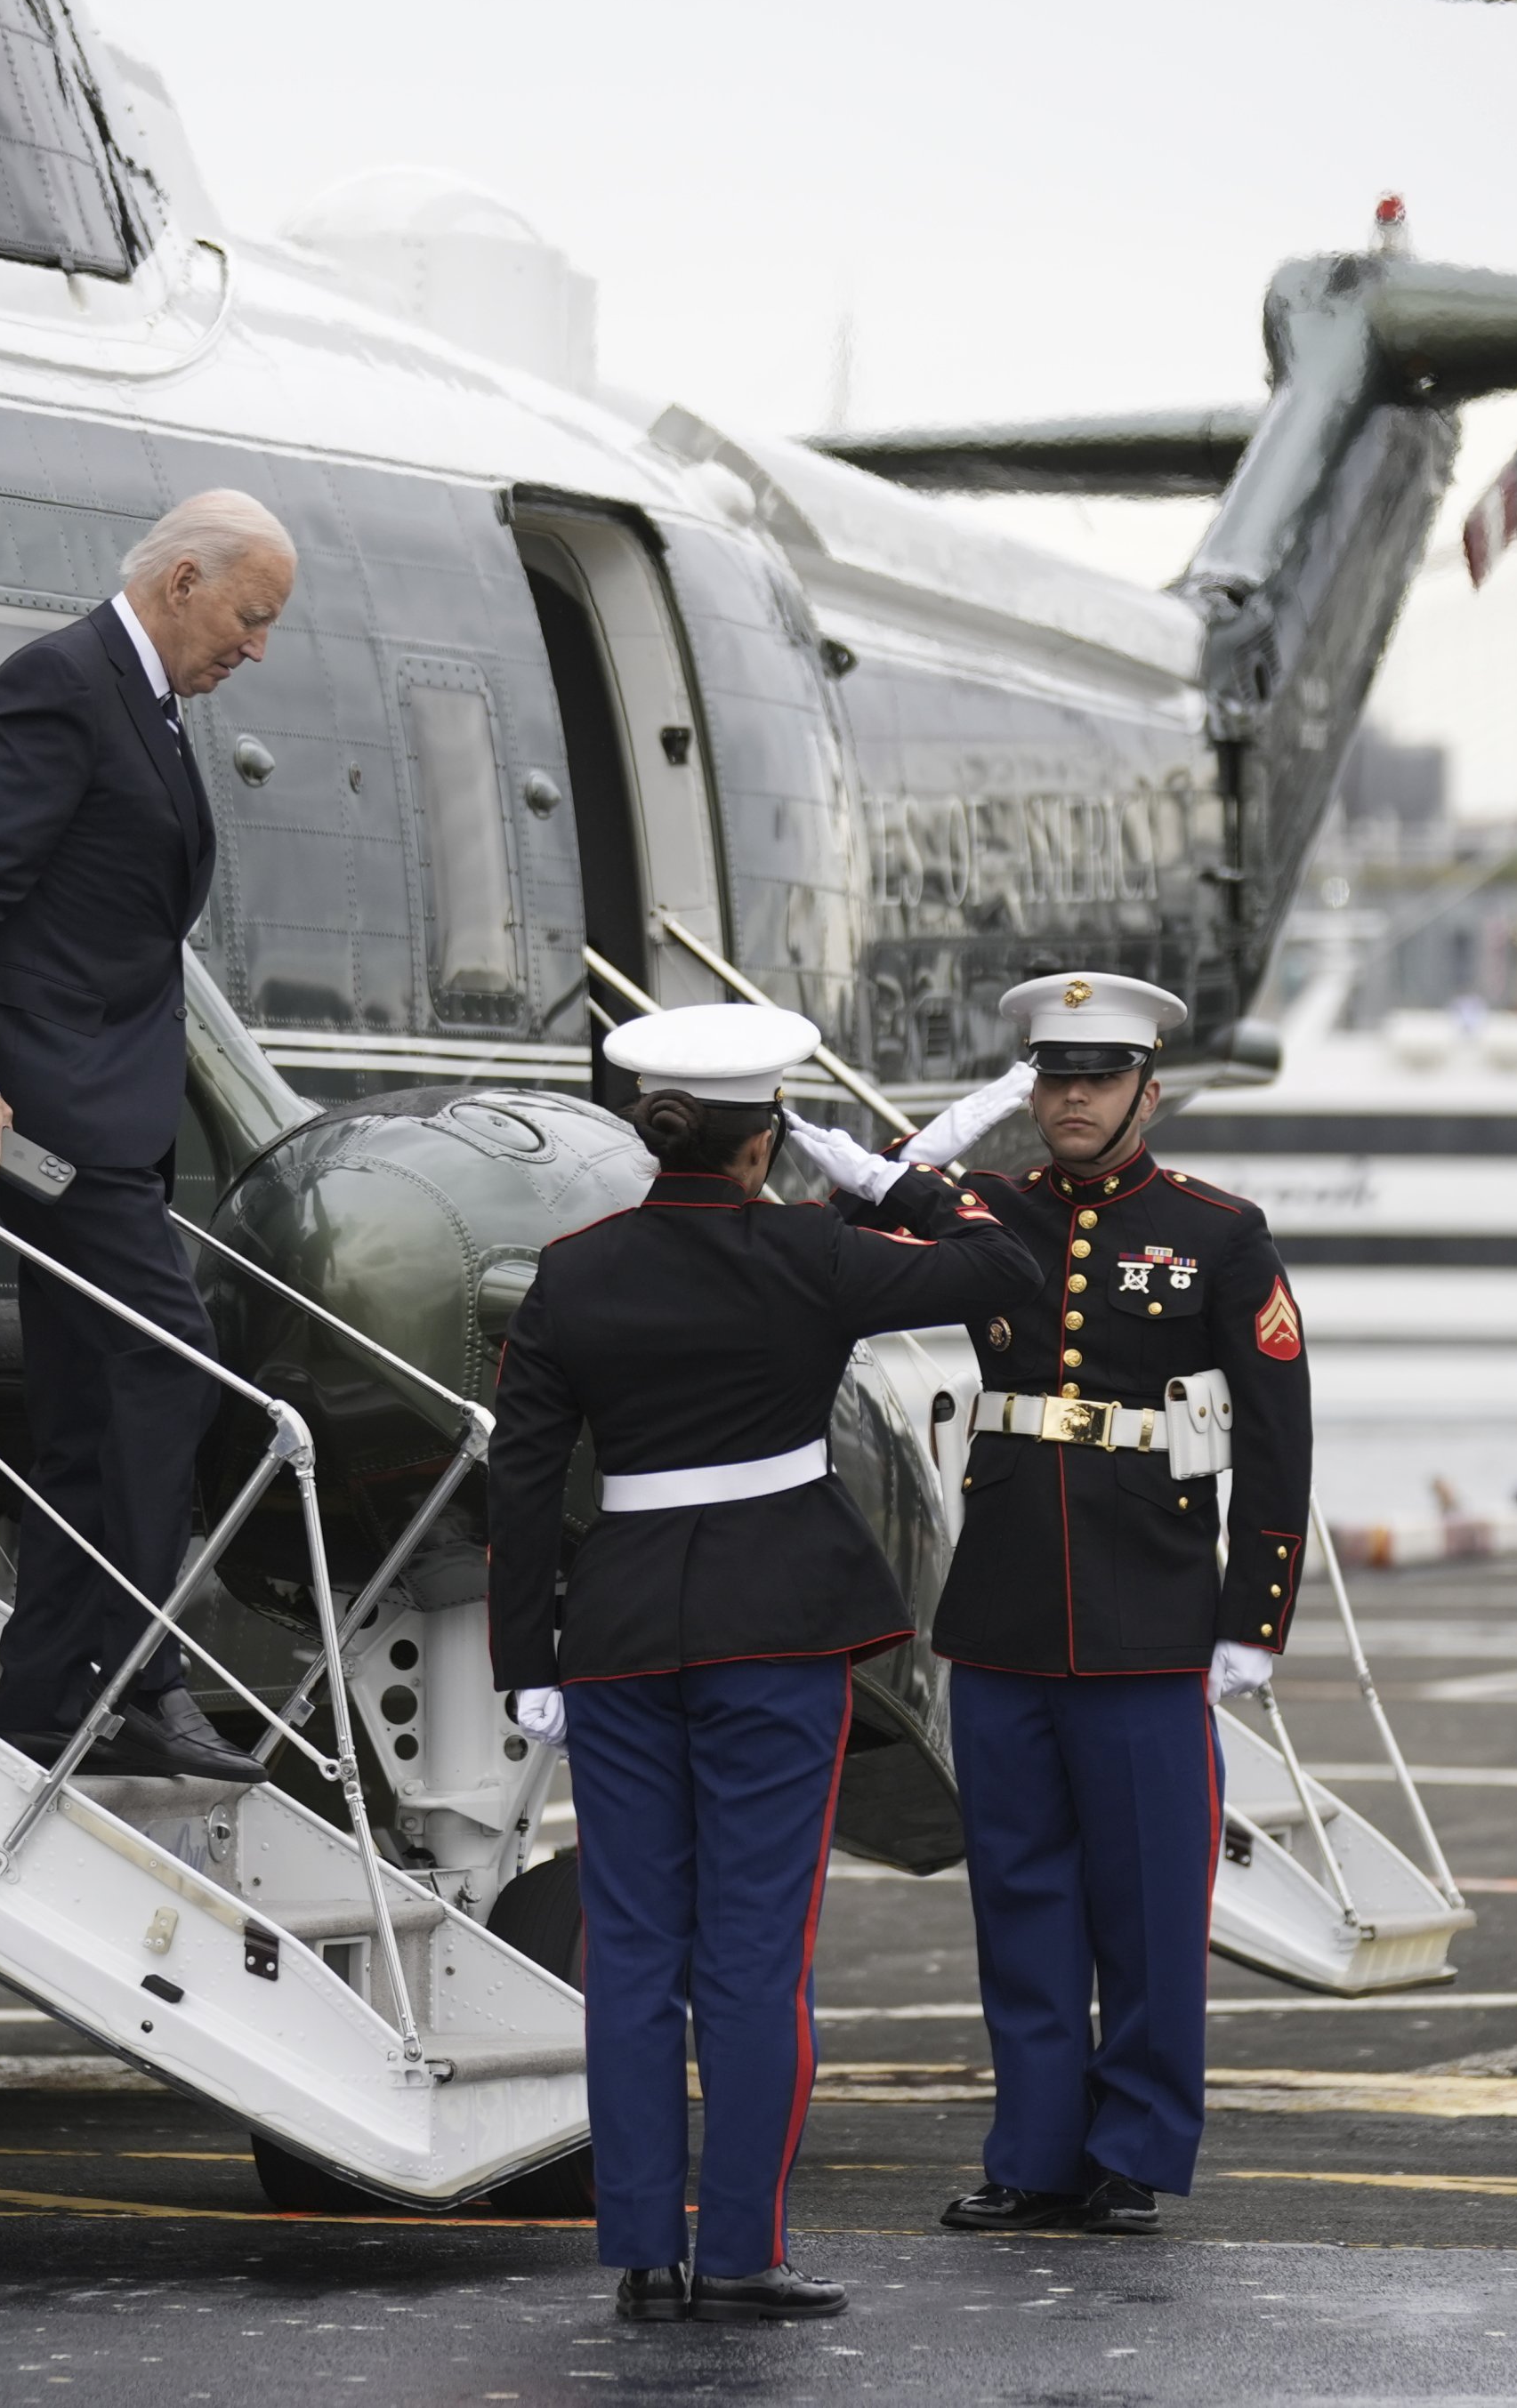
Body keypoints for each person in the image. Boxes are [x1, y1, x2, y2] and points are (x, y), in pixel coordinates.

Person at [489, 1004, 1037, 2324]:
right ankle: (735, 2249)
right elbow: (1003, 1267)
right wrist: (886, 1173)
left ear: (647, 1130)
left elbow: (515, 1477)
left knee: (629, 1952)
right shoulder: (809, 1253)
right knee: (751, 1954)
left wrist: (525, 1655)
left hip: (616, 1634)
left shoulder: (571, 1270)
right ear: (764, 1142)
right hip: (776, 1630)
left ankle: (636, 2250)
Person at [853, 970, 1311, 2239]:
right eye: (1049, 1077)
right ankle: (1033, 2154)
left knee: (1150, 1912)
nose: (1068, 1099)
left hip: (1149, 1617)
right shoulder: (986, 1211)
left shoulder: (1217, 1231)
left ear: (1144, 1091)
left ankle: (1131, 2153)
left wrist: (1248, 1616)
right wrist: (963, 1115)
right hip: (1001, 1616)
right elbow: (862, 1203)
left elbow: (1277, 1436)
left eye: (1092, 1077)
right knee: (1020, 1901)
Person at [0, 490, 295, 1785]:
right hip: (41, 1116)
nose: (253, 649)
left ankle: (49, 1700)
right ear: (182, 584)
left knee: (92, 1410)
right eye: (249, 618)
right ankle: (143, 1677)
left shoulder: (141, 698)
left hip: (99, 1110)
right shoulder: (59, 686)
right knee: (170, 1367)